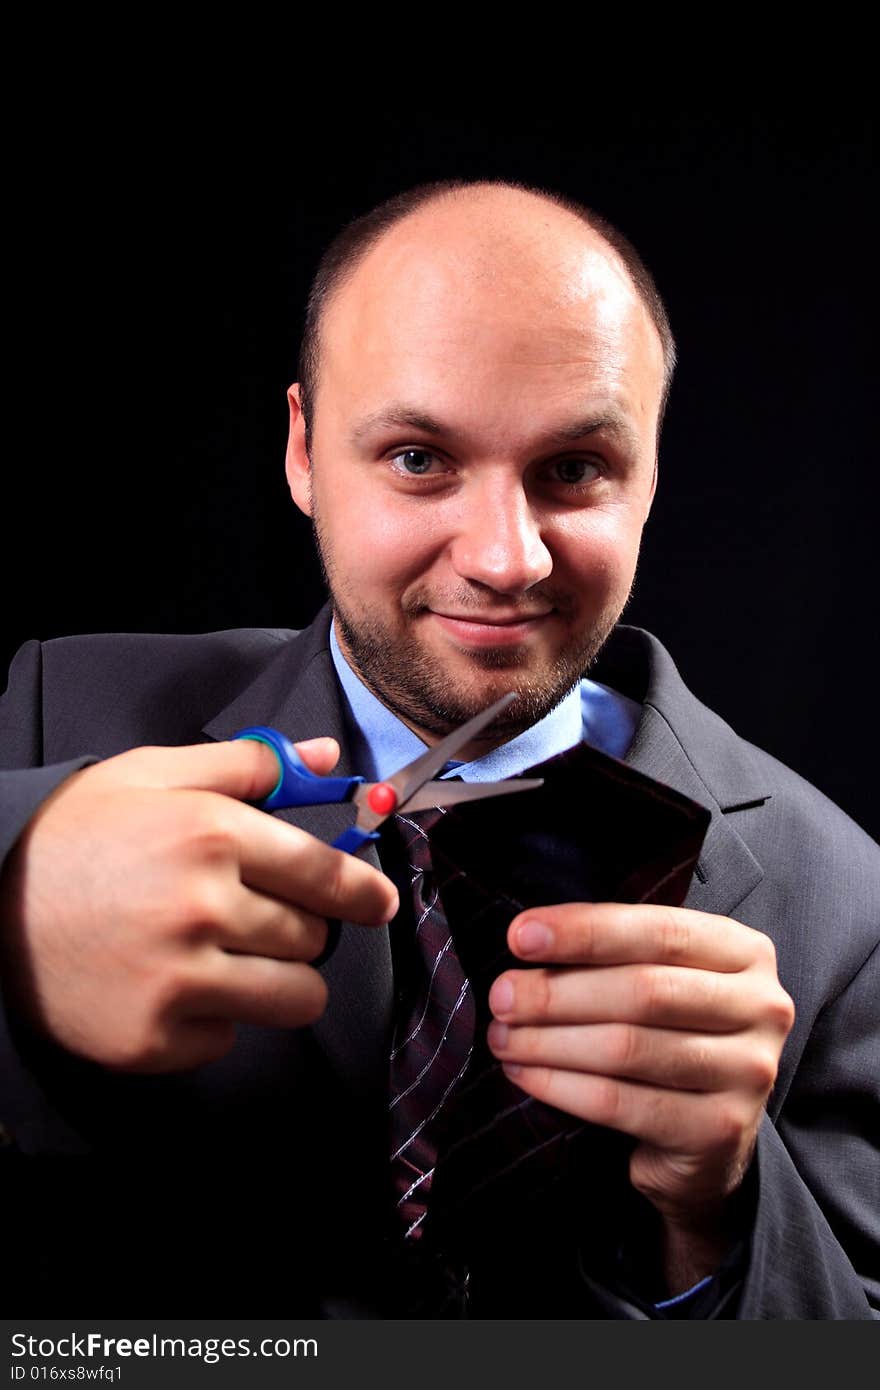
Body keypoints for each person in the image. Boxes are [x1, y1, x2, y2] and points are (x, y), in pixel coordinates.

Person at [0, 177, 877, 1320]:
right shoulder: (56, 707)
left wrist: (719, 1211)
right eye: (418, 458)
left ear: (650, 475)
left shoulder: (844, 898)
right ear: (305, 451)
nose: (507, 559)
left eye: (574, 469)